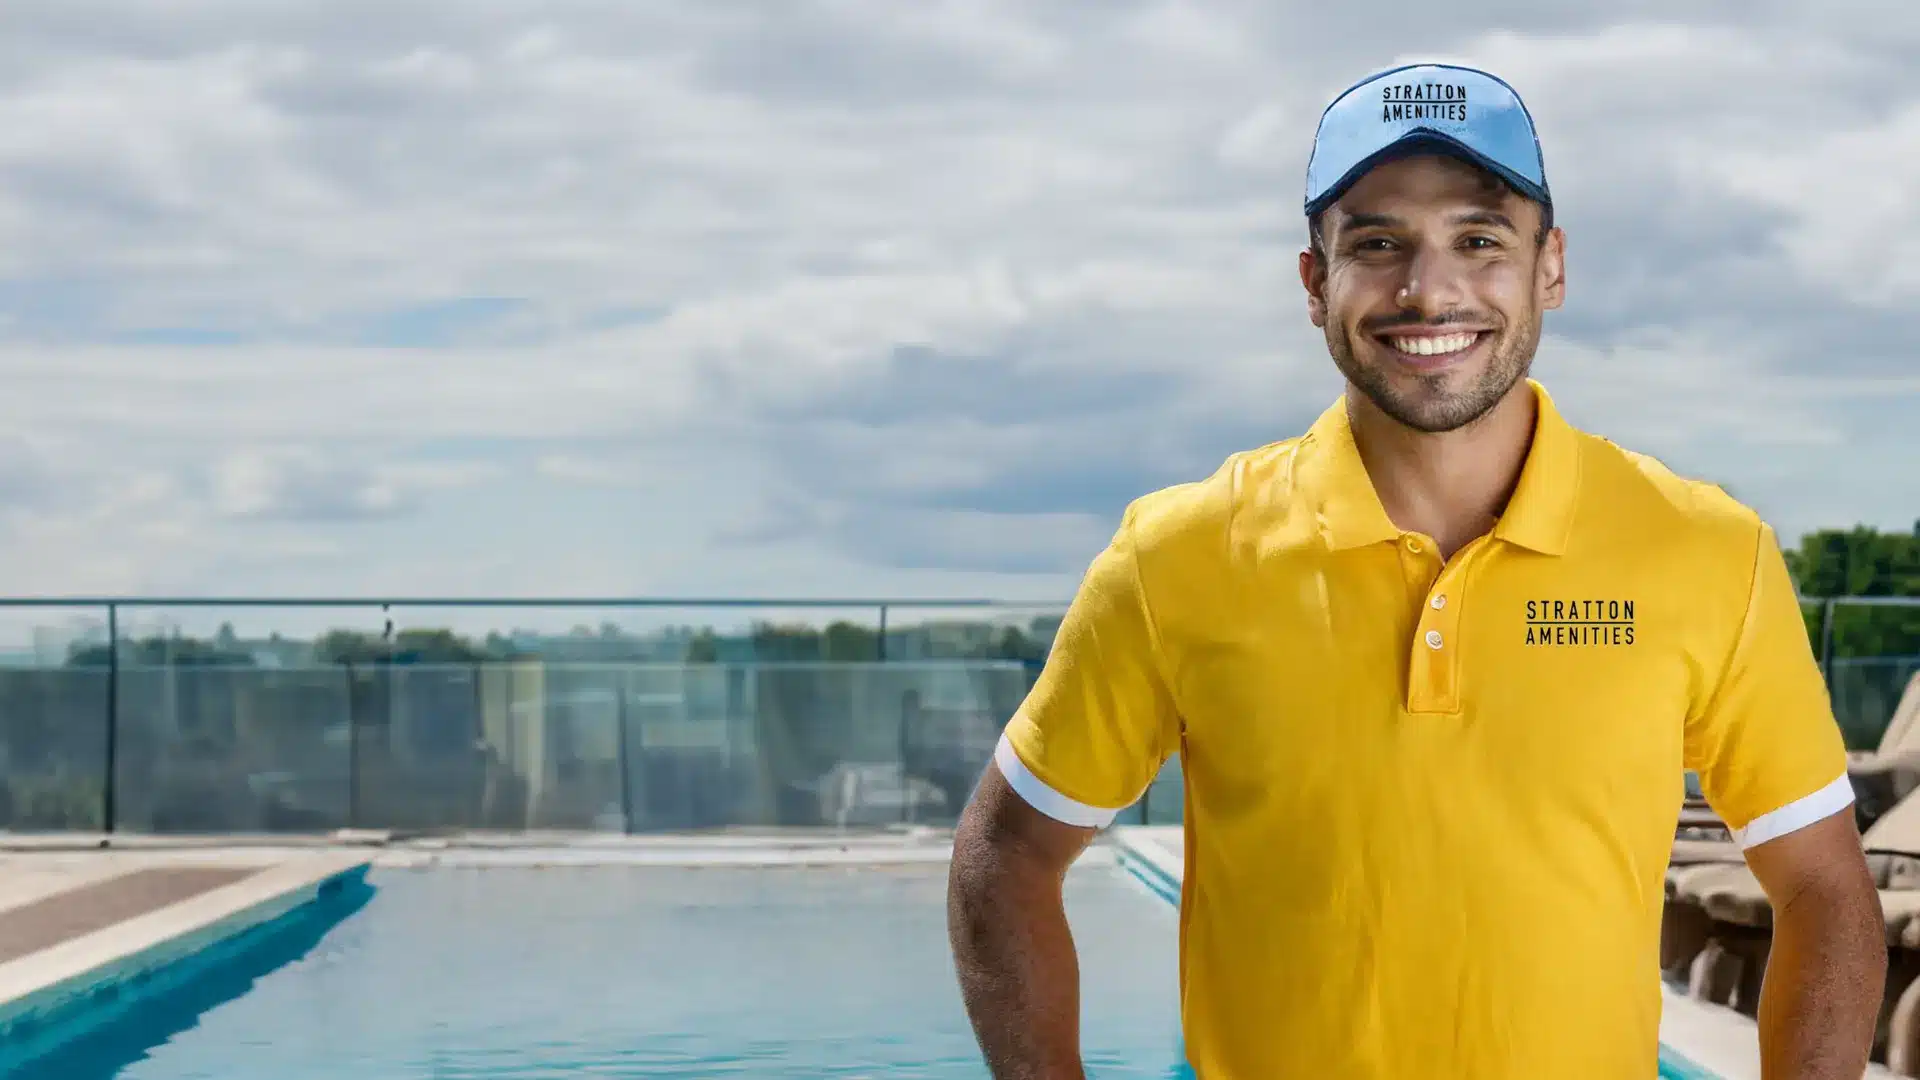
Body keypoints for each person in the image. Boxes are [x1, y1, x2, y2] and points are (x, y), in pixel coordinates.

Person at [947, 61, 1886, 1080]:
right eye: (1377, 244)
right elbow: (1005, 860)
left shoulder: (1708, 551)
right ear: (1316, 283)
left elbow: (1825, 890)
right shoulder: (1176, 557)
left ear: (1550, 269)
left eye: (1479, 240)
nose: (1427, 290)